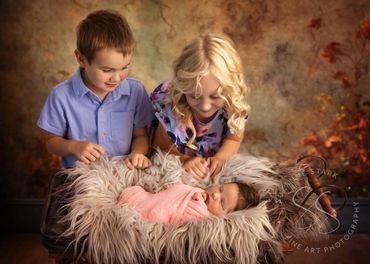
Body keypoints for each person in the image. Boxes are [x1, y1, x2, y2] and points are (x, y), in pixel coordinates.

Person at [37, 10, 153, 169]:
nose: (117, 78)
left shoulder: (136, 91)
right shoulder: (61, 96)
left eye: (124, 67)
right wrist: (73, 146)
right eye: (107, 70)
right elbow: (51, 142)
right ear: (81, 59)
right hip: (81, 178)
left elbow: (140, 135)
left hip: (126, 175)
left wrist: (138, 153)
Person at [150, 33, 250, 180]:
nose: (205, 106)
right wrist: (185, 160)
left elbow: (233, 139)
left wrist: (221, 158)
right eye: (195, 96)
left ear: (230, 89)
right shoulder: (172, 106)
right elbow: (160, 148)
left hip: (209, 163)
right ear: (184, 88)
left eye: (215, 96)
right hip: (175, 161)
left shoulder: (232, 104)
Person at [117, 182, 259, 224]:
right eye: (220, 188)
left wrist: (198, 204)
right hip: (153, 200)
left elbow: (185, 223)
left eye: (222, 202)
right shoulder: (197, 187)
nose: (215, 194)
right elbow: (174, 190)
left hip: (156, 217)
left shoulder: (206, 219)